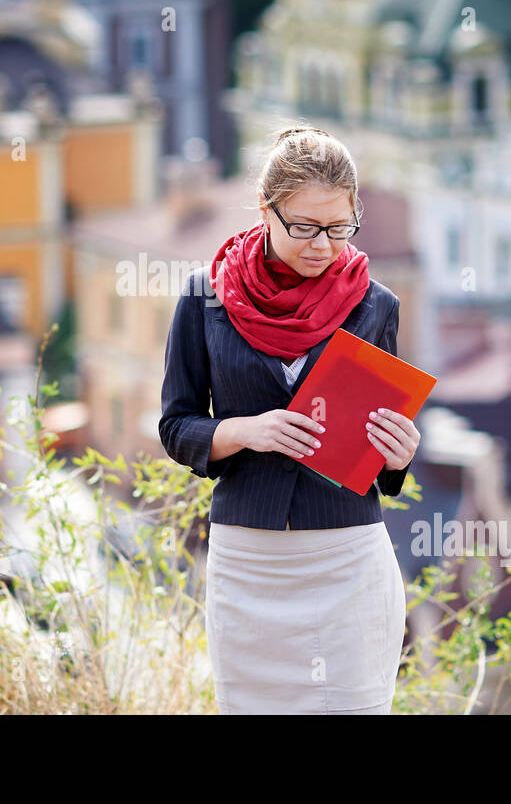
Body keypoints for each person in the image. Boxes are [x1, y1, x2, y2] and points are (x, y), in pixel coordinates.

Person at [159, 126, 419, 714]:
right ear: (264, 210)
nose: (322, 245)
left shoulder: (376, 306)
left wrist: (398, 455)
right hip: (247, 563)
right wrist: (245, 431)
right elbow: (176, 426)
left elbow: (378, 465)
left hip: (349, 559)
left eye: (338, 227)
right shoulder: (205, 297)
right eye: (303, 227)